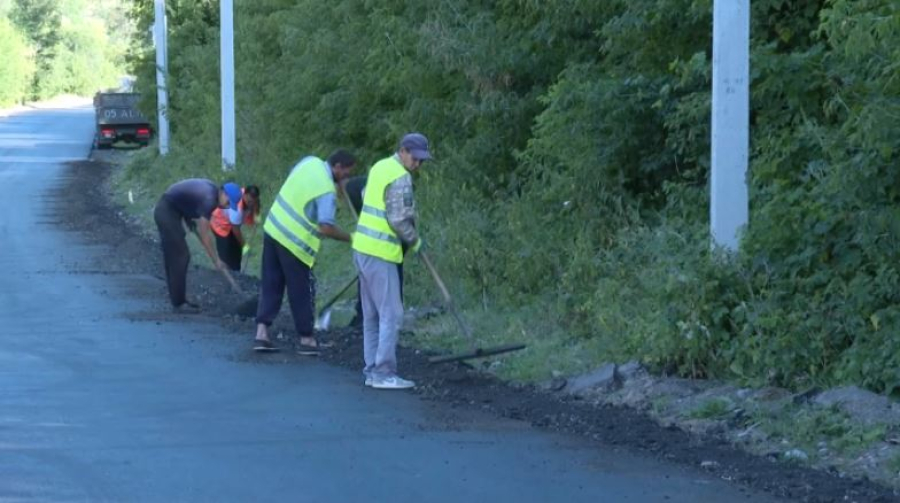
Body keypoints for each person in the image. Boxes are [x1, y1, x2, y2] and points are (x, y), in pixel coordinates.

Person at [253, 150, 357, 354]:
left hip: (273, 228)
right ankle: (306, 338)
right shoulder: (326, 191)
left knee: (271, 283)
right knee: (301, 290)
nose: (347, 178)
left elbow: (296, 183)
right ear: (337, 167)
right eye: (346, 173)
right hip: (295, 243)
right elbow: (325, 228)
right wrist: (352, 237)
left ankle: (261, 333)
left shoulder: (310, 162)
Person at [352, 133, 430, 390]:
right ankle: (384, 373)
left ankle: (372, 370)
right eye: (416, 159)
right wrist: (414, 241)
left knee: (371, 314)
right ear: (404, 150)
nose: (417, 165)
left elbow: (365, 195)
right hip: (381, 252)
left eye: (421, 161)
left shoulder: (380, 166)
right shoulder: (400, 176)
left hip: (362, 248)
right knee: (391, 313)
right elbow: (399, 220)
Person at [153, 179, 243, 313]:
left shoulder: (212, 193)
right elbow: (204, 234)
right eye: (228, 202)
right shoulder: (209, 199)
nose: (227, 206)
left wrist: (188, 217)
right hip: (166, 212)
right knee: (180, 256)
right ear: (223, 193)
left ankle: (177, 299)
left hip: (172, 211)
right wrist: (216, 260)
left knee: (175, 255)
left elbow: (186, 199)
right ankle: (179, 303)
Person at [342, 175, 404, 328]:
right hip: (373, 242)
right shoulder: (357, 189)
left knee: (387, 273)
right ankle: (367, 316)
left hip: (382, 240)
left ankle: (377, 316)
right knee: (372, 274)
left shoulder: (395, 199)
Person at [210, 185, 261, 271]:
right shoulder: (236, 208)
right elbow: (236, 230)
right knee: (226, 254)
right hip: (220, 226)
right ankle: (223, 275)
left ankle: (236, 272)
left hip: (231, 225)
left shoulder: (252, 197)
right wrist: (244, 245)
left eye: (253, 202)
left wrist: (256, 214)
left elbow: (257, 203)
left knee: (237, 251)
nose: (251, 204)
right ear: (244, 195)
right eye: (249, 202)